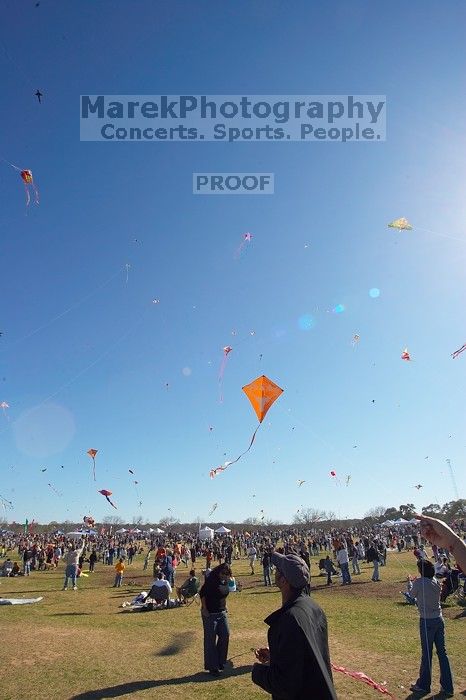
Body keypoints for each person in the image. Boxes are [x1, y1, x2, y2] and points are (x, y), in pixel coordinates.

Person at [252, 552, 337, 699]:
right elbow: (305, 655)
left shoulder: (290, 620)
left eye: (278, 570)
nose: (275, 572)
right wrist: (277, 655)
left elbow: (284, 684)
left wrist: (257, 672)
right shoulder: (313, 606)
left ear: (284, 581)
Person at [409, 559, 454, 697]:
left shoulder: (419, 583)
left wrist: (410, 582)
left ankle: (423, 685)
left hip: (427, 622)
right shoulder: (435, 582)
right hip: (439, 620)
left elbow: (411, 595)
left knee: (427, 654)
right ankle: (448, 687)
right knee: (442, 654)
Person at [199, 562, 231, 676]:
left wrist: (225, 605)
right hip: (210, 614)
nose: (224, 575)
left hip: (222, 612)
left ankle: (221, 661)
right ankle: (213, 667)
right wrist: (204, 609)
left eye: (227, 574)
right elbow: (202, 594)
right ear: (218, 572)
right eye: (222, 573)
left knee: (225, 635)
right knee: (210, 640)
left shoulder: (225, 581)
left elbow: (223, 594)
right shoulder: (211, 581)